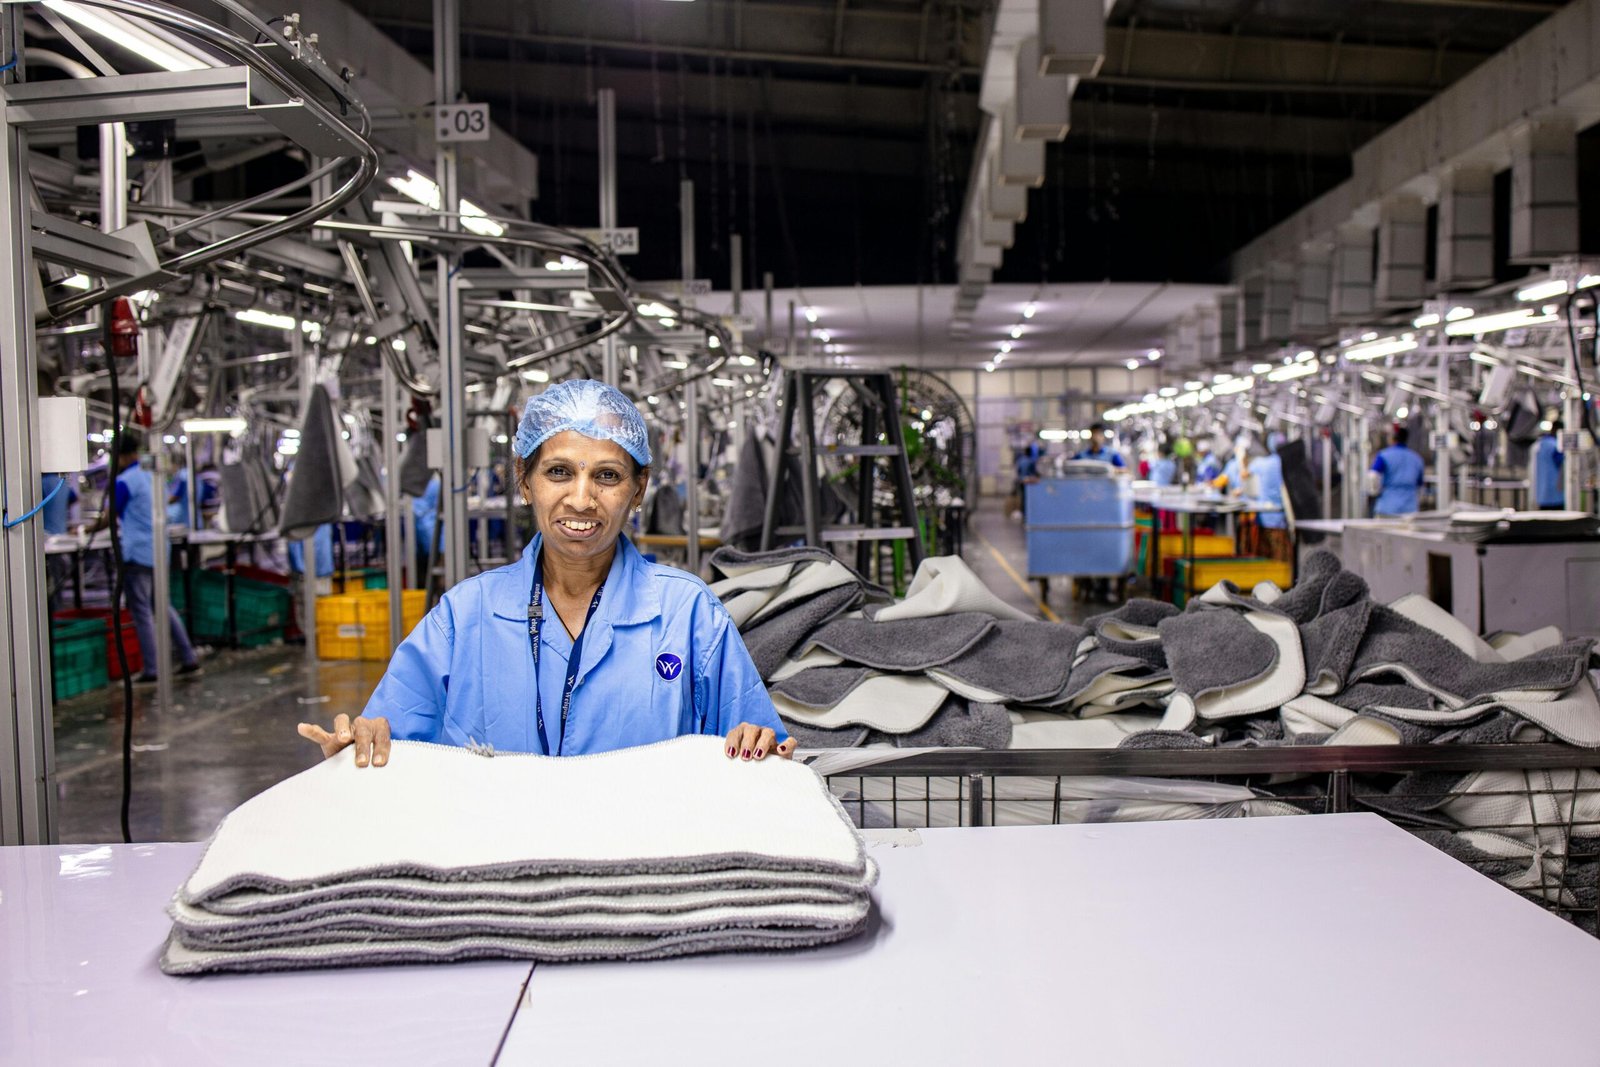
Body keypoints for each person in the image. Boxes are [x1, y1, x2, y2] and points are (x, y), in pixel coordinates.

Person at [299, 379, 791, 768]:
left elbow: (756, 750)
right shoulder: (464, 616)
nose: (581, 498)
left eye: (607, 475)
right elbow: (393, 738)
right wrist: (360, 747)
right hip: (497, 874)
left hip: (641, 873)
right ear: (525, 481)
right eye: (558, 472)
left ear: (638, 490)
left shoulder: (687, 614)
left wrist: (761, 749)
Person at [83, 430, 202, 684]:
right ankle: (188, 657)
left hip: (137, 553)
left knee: (141, 610)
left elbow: (109, 516)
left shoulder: (125, 481)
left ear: (121, 456)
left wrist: (83, 529)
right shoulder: (154, 476)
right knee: (162, 605)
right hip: (159, 549)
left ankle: (152, 669)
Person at [1369, 425, 1426, 517]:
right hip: (1410, 508)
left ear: (1393, 438)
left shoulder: (1384, 455)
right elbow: (1420, 485)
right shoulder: (1416, 458)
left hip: (1387, 506)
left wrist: (1375, 492)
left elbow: (1373, 475)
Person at [1535, 419, 1565, 510]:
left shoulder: (1540, 444)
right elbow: (1562, 464)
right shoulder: (1555, 446)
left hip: (1542, 493)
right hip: (1555, 494)